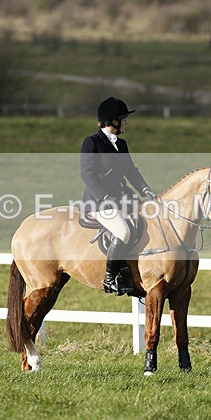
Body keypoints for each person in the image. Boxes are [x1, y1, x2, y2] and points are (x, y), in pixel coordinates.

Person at [80, 97, 156, 297]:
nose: (126, 123)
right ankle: (109, 278)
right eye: (124, 119)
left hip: (123, 199)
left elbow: (131, 171)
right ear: (113, 121)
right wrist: (104, 196)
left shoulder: (121, 144)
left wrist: (145, 190)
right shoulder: (92, 142)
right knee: (123, 232)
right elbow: (87, 174)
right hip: (99, 202)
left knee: (148, 221)